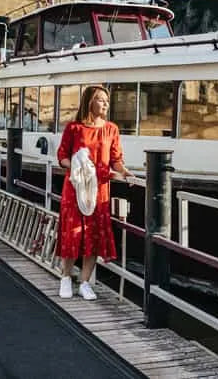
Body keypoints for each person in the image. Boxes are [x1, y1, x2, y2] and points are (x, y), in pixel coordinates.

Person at [56, 85, 132, 300]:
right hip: (75, 188)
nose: (105, 103)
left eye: (107, 100)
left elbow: (116, 159)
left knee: (93, 235)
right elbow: (62, 155)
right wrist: (75, 165)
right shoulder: (74, 128)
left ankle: (85, 282)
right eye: (100, 100)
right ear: (89, 102)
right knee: (72, 233)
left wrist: (125, 173)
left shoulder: (111, 129)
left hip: (99, 190)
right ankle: (65, 278)